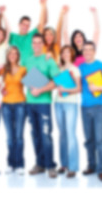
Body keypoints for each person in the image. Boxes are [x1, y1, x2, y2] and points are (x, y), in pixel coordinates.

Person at [24, 33, 59, 178]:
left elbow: (56, 81)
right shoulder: (28, 60)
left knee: (45, 135)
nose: (36, 45)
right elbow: (24, 77)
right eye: (34, 43)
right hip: (30, 103)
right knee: (36, 135)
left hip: (44, 103)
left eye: (39, 42)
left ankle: (50, 166)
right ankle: (39, 164)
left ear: (43, 44)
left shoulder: (49, 60)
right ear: (32, 44)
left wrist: (41, 90)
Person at [79, 42, 102, 182]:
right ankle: (91, 166)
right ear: (82, 53)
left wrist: (99, 87)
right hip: (85, 107)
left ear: (94, 51)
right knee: (89, 139)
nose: (87, 52)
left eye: (90, 50)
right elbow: (73, 83)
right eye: (85, 50)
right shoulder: (80, 68)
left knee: (101, 139)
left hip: (99, 107)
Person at [54, 45, 82, 178]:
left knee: (70, 134)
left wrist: (66, 90)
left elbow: (78, 88)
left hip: (70, 103)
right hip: (58, 103)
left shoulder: (75, 69)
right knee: (62, 134)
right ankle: (64, 164)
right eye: (63, 52)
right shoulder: (59, 68)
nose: (65, 54)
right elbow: (54, 84)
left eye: (68, 52)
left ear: (71, 55)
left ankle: (73, 167)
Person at [0, 46, 27, 175]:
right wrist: (2, 90)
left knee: (19, 136)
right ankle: (11, 164)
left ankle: (20, 164)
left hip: (20, 104)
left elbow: (33, 83)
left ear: (17, 56)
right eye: (10, 53)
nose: (13, 56)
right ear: (8, 55)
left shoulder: (23, 70)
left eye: (15, 54)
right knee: (10, 137)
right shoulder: (4, 70)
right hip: (6, 105)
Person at [9, 0, 48, 65]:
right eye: (24, 24)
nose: (25, 27)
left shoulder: (31, 35)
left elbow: (42, 24)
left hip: (30, 69)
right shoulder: (12, 36)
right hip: (16, 71)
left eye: (28, 25)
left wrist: (43, 6)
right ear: (19, 25)